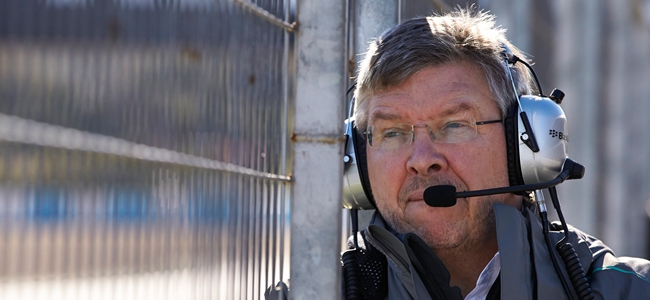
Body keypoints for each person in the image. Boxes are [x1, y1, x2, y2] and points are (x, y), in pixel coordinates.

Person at [343, 7, 650, 300]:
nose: (422, 160)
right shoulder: (313, 287)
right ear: (357, 160)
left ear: (524, 145)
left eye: (454, 125)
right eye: (393, 133)